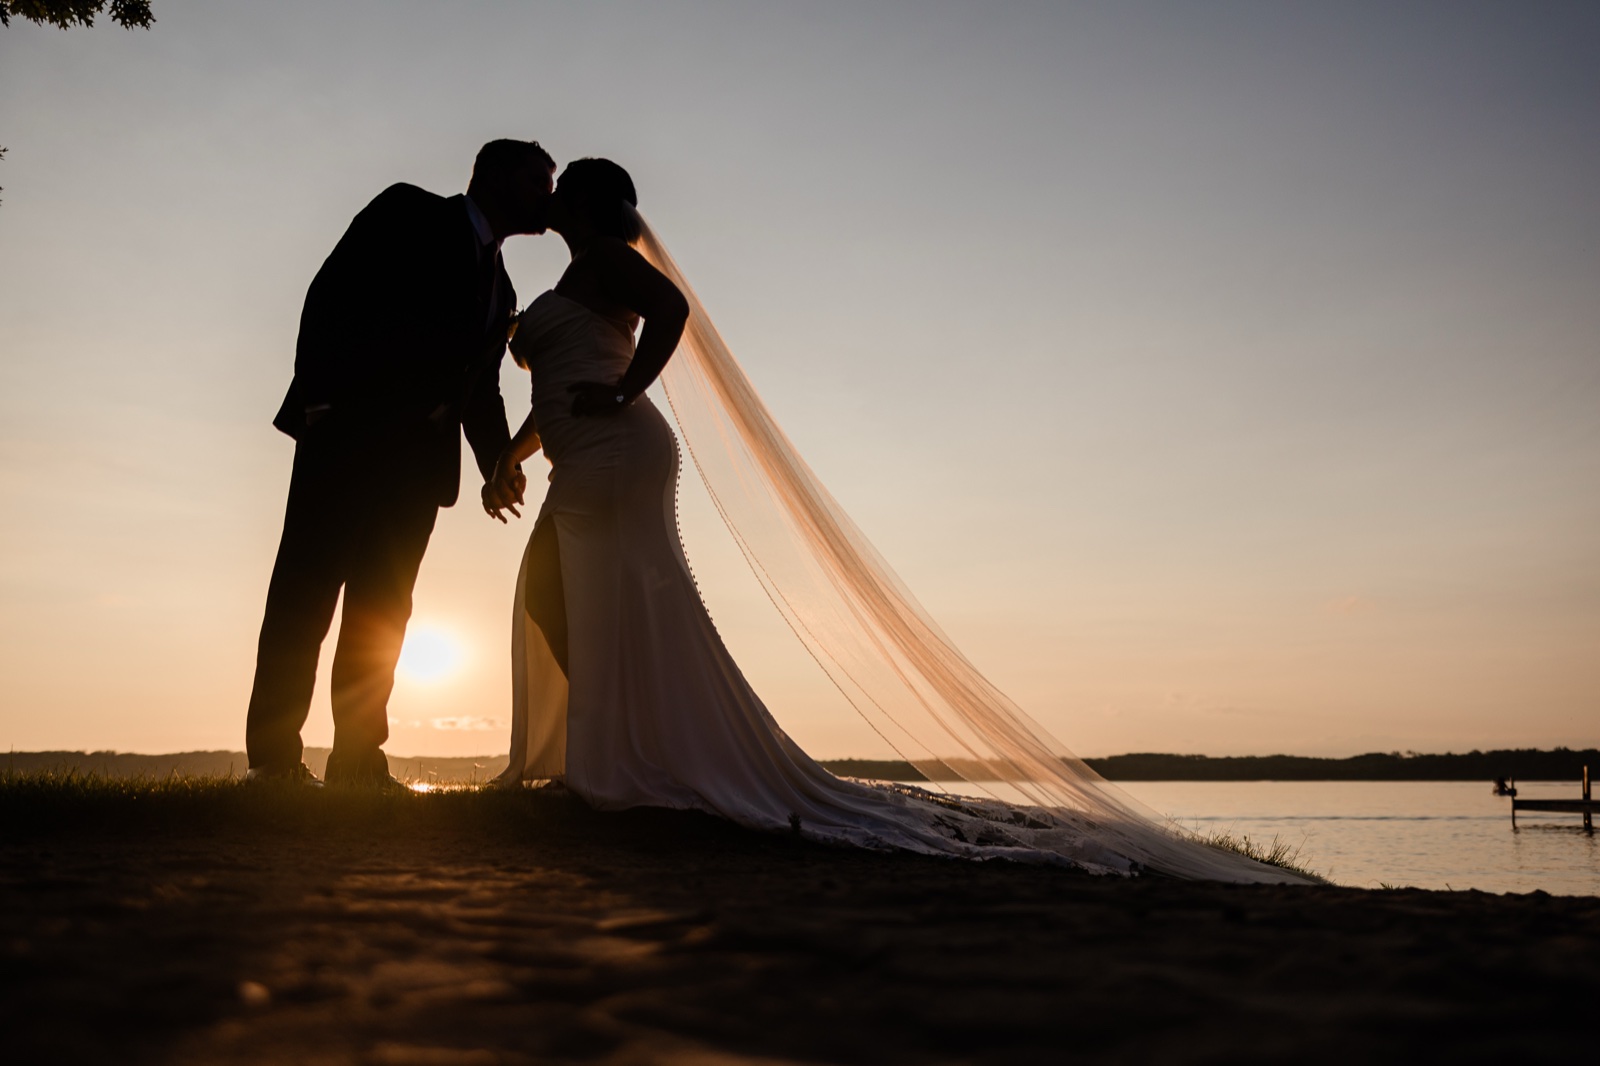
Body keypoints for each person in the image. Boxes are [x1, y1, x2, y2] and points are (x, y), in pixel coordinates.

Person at [487, 159, 1313, 882]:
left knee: (567, 597)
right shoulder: (569, 282)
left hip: (618, 454)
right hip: (583, 452)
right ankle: (622, 754)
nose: (550, 195)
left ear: (590, 206)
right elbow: (558, 387)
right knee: (572, 598)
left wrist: (627, 393)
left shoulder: (606, 262)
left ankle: (615, 761)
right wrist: (514, 454)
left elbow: (672, 312)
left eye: (564, 188)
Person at [245, 139, 556, 786]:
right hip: (345, 443)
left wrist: (497, 463)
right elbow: (330, 294)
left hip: (419, 474)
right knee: (303, 599)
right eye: (537, 181)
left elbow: (483, 390)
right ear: (495, 177)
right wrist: (321, 399)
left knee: (382, 614)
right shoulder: (408, 212)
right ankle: (274, 763)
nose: (546, 198)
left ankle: (359, 761)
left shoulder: (502, 288)